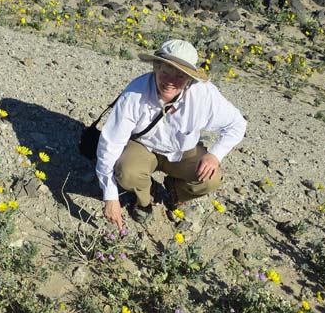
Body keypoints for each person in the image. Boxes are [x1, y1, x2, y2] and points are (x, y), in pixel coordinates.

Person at [96, 39, 247, 231]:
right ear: (155, 67)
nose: (170, 81)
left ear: (190, 79)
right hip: (143, 146)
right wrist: (110, 196)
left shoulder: (204, 95)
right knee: (127, 173)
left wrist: (214, 155)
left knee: (211, 178)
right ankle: (145, 199)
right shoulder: (135, 93)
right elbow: (110, 143)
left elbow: (237, 124)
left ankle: (175, 191)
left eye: (179, 76)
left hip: (183, 151)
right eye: (165, 71)